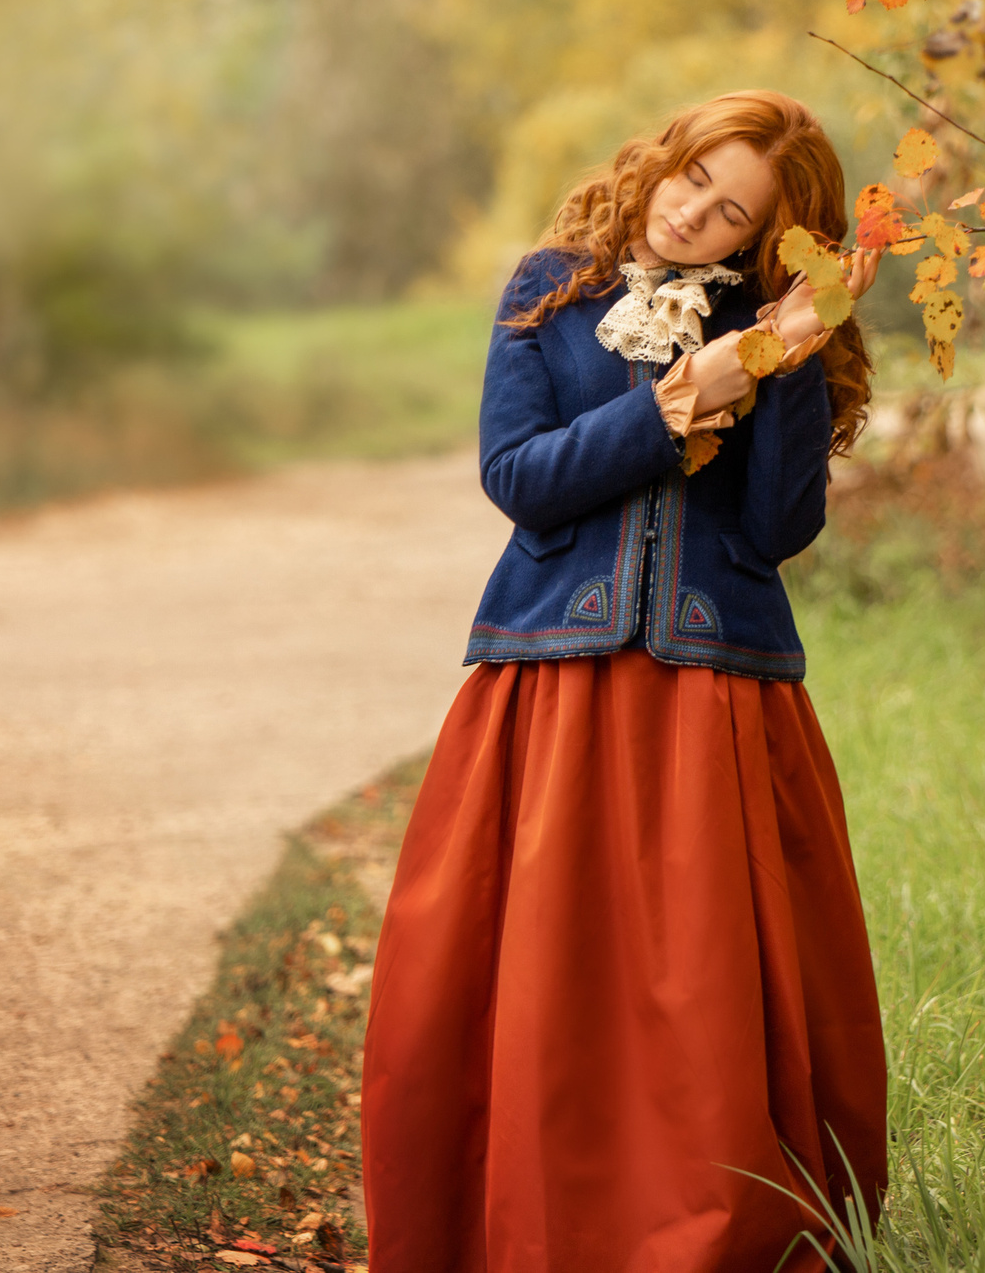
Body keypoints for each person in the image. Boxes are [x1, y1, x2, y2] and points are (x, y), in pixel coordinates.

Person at [360, 89, 888, 1271]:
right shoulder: (551, 285)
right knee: (534, 982)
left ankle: (697, 1237)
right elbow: (520, 478)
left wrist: (786, 358)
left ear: (760, 240)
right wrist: (669, 406)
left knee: (702, 995)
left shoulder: (766, 321)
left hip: (714, 696)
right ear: (667, 158)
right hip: (548, 686)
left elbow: (772, 530)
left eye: (732, 211)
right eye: (695, 177)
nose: (695, 212)